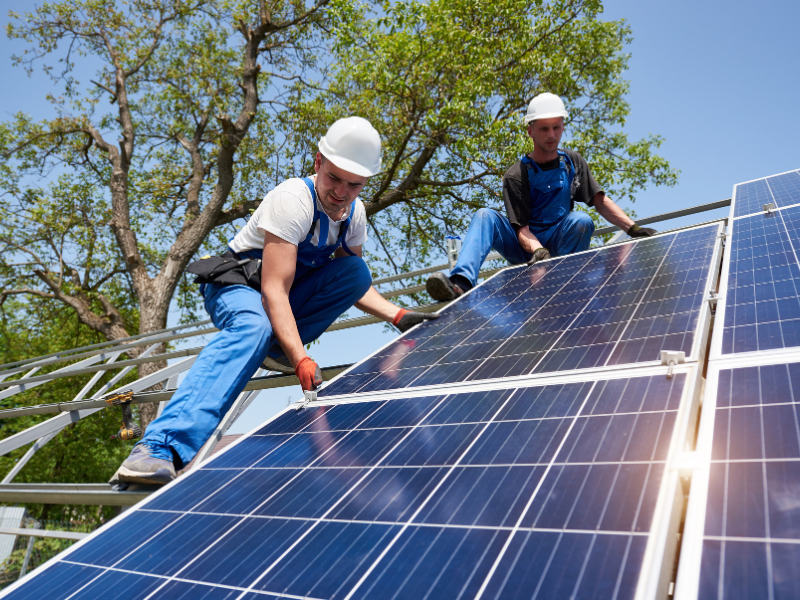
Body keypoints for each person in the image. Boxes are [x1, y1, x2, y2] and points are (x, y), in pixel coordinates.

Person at [115, 117, 438, 485]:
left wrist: (398, 315)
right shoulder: (292, 200)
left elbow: (354, 285)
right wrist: (301, 356)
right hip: (241, 288)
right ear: (318, 163)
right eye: (334, 178)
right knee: (253, 328)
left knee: (356, 271)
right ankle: (158, 447)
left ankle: (277, 348)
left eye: (355, 184)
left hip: (282, 302)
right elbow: (273, 290)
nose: (341, 192)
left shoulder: (354, 216)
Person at [426, 93, 657, 301]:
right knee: (484, 215)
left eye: (556, 127)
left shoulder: (571, 163)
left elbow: (599, 200)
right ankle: (461, 284)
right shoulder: (516, 174)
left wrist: (632, 228)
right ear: (530, 130)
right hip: (525, 246)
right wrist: (537, 250)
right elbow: (521, 230)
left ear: (563, 126)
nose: (551, 135)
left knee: (582, 220)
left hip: (559, 239)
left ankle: (566, 286)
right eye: (544, 129)